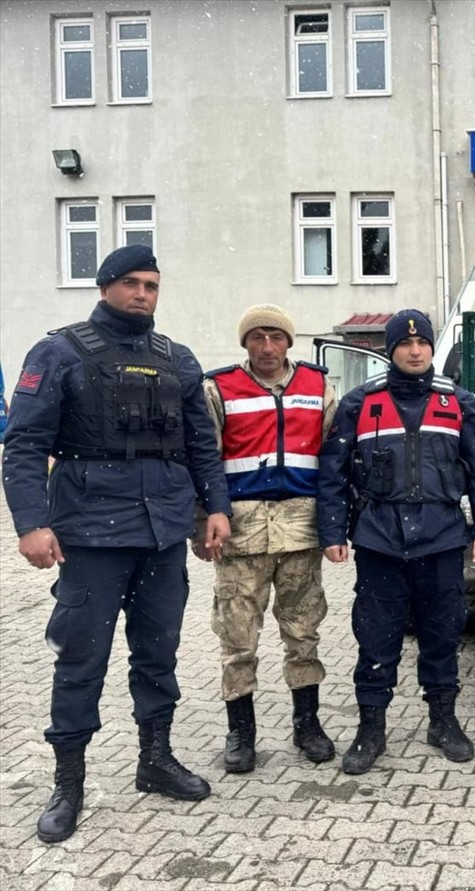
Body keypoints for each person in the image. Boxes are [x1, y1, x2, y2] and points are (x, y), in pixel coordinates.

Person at [2, 245, 232, 844]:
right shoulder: (59, 352)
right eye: (130, 283)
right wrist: (30, 523)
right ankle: (69, 783)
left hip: (162, 534)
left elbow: (202, 445)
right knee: (81, 660)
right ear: (105, 286)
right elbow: (23, 444)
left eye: (152, 285)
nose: (142, 295)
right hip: (90, 534)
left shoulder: (176, 358)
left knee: (158, 654)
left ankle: (154, 760)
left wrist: (216, 508)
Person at [317, 308, 475, 773]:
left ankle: (443, 722)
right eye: (405, 344)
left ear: (431, 348)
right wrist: (332, 532)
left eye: (422, 344)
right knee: (376, 639)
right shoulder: (360, 403)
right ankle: (370, 730)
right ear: (390, 350)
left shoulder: (458, 402)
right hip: (379, 540)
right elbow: (332, 474)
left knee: (442, 634)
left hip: (440, 540)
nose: (415, 351)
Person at [194, 304, 339, 773]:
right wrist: (202, 522)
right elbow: (203, 460)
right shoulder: (219, 389)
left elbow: (335, 458)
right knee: (238, 639)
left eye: (276, 337)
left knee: (303, 632)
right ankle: (242, 732)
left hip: (301, 530)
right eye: (257, 337)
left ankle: (308, 724)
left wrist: (337, 524)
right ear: (245, 344)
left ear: (289, 342)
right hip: (241, 534)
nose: (267, 346)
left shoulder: (317, 386)